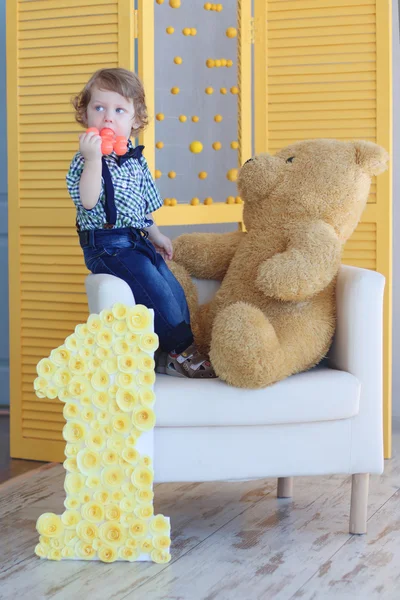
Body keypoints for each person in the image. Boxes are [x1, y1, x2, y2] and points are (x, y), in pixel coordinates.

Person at [66, 67, 216, 379]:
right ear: (85, 114)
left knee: (170, 288)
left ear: (135, 121)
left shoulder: (135, 159)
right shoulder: (85, 160)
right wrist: (93, 161)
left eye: (119, 110)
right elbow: (90, 200)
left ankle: (167, 353)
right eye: (99, 108)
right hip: (106, 247)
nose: (108, 117)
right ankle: (182, 352)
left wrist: (156, 234)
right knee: (152, 289)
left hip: (138, 239)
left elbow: (142, 205)